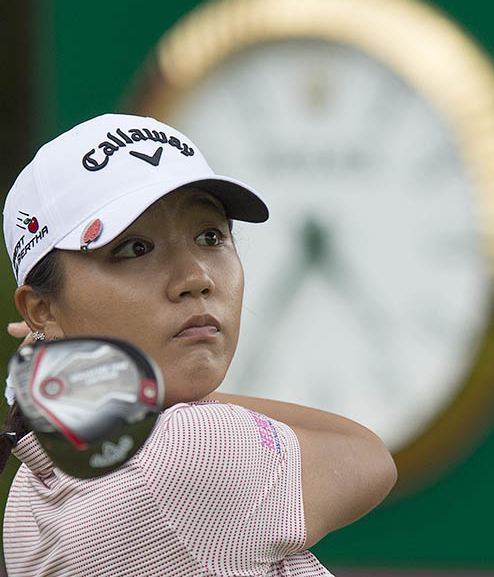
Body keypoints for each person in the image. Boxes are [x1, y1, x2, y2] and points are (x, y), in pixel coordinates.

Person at [0, 113, 397, 576]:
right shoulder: (194, 448)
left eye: (210, 236)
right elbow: (367, 456)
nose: (196, 278)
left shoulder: (31, 491)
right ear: (42, 310)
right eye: (134, 249)